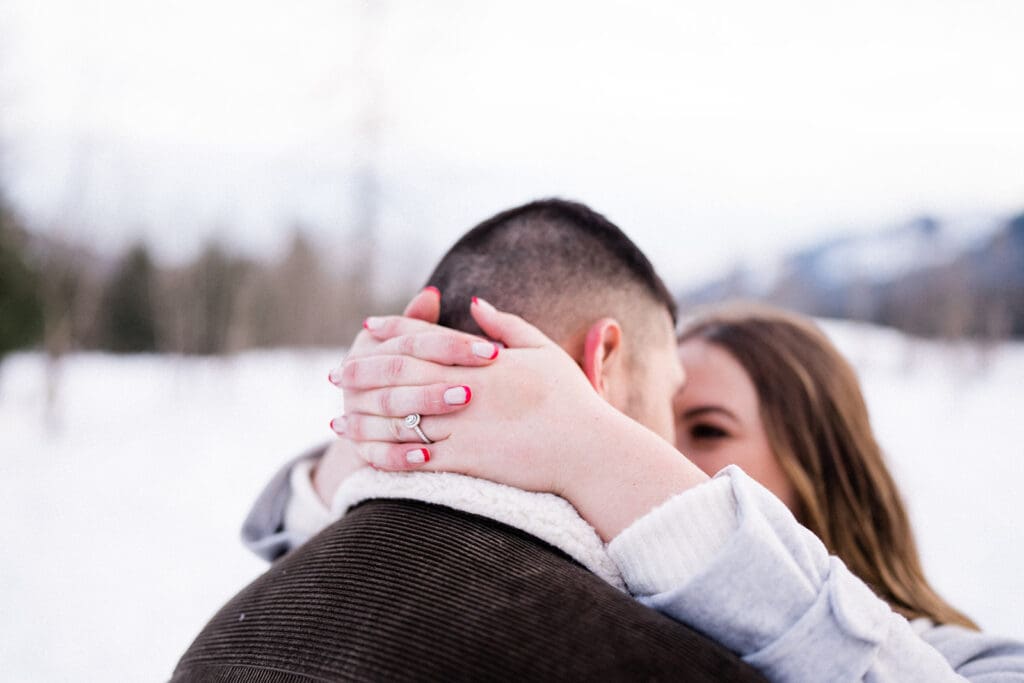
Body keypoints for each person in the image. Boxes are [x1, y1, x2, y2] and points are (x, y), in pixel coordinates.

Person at [272, 301, 1024, 681]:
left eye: (707, 429)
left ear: (823, 465)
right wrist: (365, 439)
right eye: (645, 426)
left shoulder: (963, 658)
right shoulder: (583, 617)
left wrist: (598, 452)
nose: (656, 459)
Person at [173, 199, 763, 681]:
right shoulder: (665, 661)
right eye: (670, 394)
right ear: (602, 358)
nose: (678, 449)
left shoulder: (220, 639)